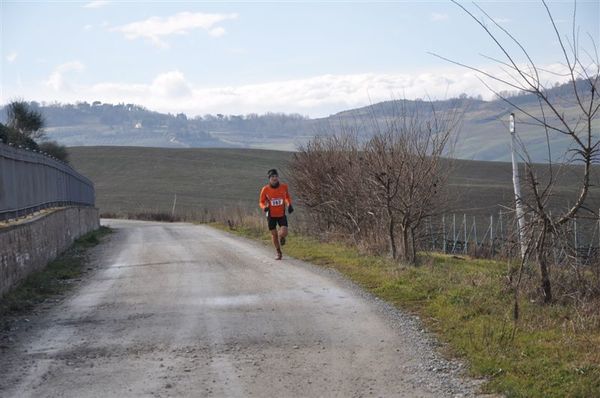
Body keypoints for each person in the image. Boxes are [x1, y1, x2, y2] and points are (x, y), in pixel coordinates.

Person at [259, 169, 294, 260]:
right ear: (269, 179)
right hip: (271, 215)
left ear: (278, 177)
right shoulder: (265, 189)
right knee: (274, 234)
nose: (274, 178)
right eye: (272, 177)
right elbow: (261, 202)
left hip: (281, 213)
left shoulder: (284, 187)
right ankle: (278, 252)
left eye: (276, 176)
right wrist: (264, 207)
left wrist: (289, 204)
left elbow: (287, 197)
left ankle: (281, 236)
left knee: (284, 232)